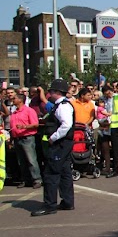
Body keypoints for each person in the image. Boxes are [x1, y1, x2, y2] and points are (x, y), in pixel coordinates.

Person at [32, 79, 75, 216]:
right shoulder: (61, 105)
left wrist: (53, 138)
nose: (49, 93)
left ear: (57, 92)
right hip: (63, 144)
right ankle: (67, 202)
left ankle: (49, 205)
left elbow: (66, 125)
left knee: (51, 174)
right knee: (64, 172)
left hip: (59, 144)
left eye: (51, 91)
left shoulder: (63, 106)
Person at [9, 92, 41, 188]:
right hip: (17, 138)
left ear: (20, 100)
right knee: (21, 161)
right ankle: (25, 179)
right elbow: (12, 127)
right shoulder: (14, 113)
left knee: (31, 160)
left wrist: (24, 126)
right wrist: (11, 139)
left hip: (27, 138)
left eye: (14, 98)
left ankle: (37, 179)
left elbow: (36, 124)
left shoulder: (29, 111)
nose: (12, 100)